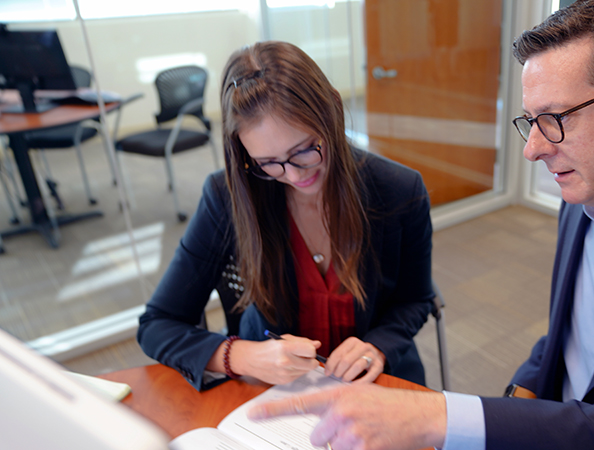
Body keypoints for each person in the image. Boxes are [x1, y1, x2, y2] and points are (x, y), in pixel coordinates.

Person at [246, 1, 594, 449]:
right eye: (530, 122)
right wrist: (520, 395)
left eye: (555, 120)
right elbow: (572, 336)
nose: (534, 149)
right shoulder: (584, 187)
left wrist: (442, 417)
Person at [137, 41, 434, 391]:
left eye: (305, 150)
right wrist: (242, 356)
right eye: (268, 163)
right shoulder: (228, 195)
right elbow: (157, 324)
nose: (293, 176)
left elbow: (415, 299)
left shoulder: (400, 189)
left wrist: (380, 346)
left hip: (375, 380)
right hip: (272, 390)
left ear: (333, 112)